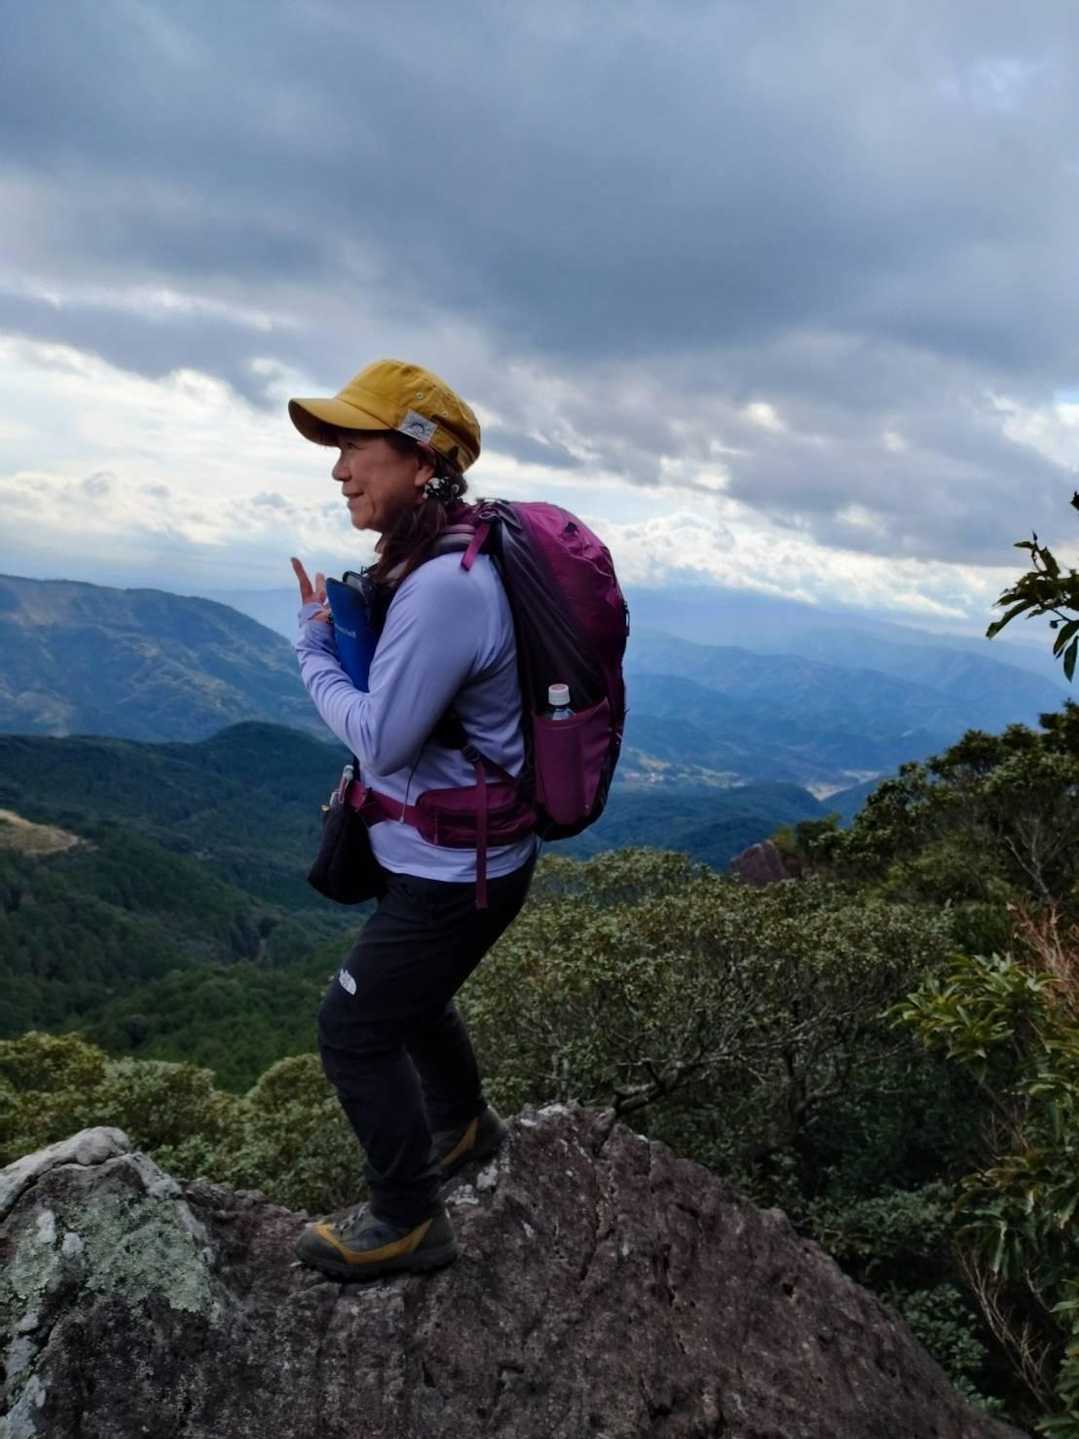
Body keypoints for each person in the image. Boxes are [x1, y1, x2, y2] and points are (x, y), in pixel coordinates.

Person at [287, 358, 537, 1282]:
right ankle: (462, 1123)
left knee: (351, 1029)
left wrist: (313, 650)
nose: (339, 468)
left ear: (422, 459)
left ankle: (407, 1217)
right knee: (413, 998)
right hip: (450, 855)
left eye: (356, 446)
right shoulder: (433, 559)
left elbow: (384, 742)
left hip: (454, 875)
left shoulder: (444, 585)